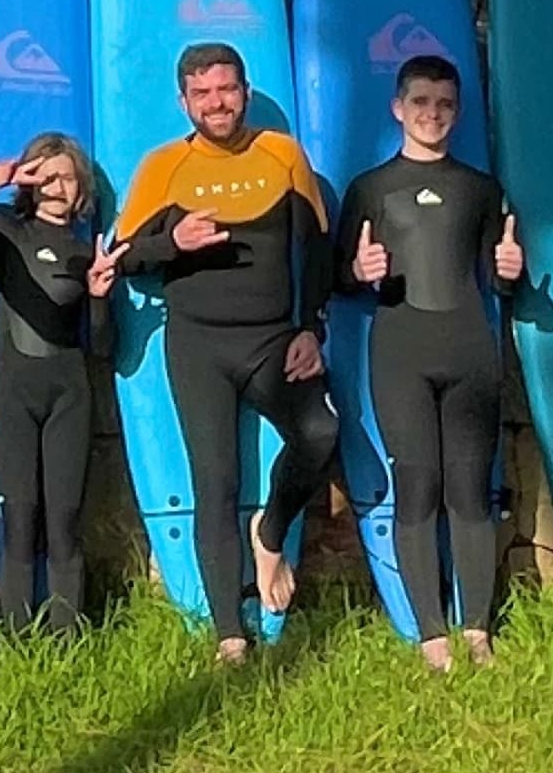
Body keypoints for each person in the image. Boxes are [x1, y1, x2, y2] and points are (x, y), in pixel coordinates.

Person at [115, 42, 339, 662]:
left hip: (273, 340)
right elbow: (121, 258)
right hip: (198, 346)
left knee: (320, 432)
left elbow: (317, 248)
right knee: (214, 482)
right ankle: (230, 635)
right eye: (203, 93)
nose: (217, 103)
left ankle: (270, 532)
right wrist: (174, 243)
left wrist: (310, 329)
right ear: (184, 100)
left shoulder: (282, 156)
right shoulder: (163, 167)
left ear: (244, 91)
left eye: (227, 90)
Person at [331, 53, 525, 672]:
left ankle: (476, 629)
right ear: (398, 109)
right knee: (417, 487)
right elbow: (336, 276)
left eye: (444, 104)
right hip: (400, 351)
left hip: (469, 348)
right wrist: (357, 273)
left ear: (457, 111)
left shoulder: (480, 188)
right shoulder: (370, 188)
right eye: (420, 103)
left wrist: (510, 275)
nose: (432, 115)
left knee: (471, 491)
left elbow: (501, 278)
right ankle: (430, 634)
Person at [0, 131, 110, 641]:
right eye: (46, 175)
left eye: (66, 176)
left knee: (63, 523)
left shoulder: (87, 251)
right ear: (28, 181)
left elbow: (101, 348)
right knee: (18, 520)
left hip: (70, 393)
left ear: (82, 186)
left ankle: (66, 638)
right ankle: (16, 638)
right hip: (13, 392)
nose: (57, 186)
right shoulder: (4, 231)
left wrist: (101, 295)